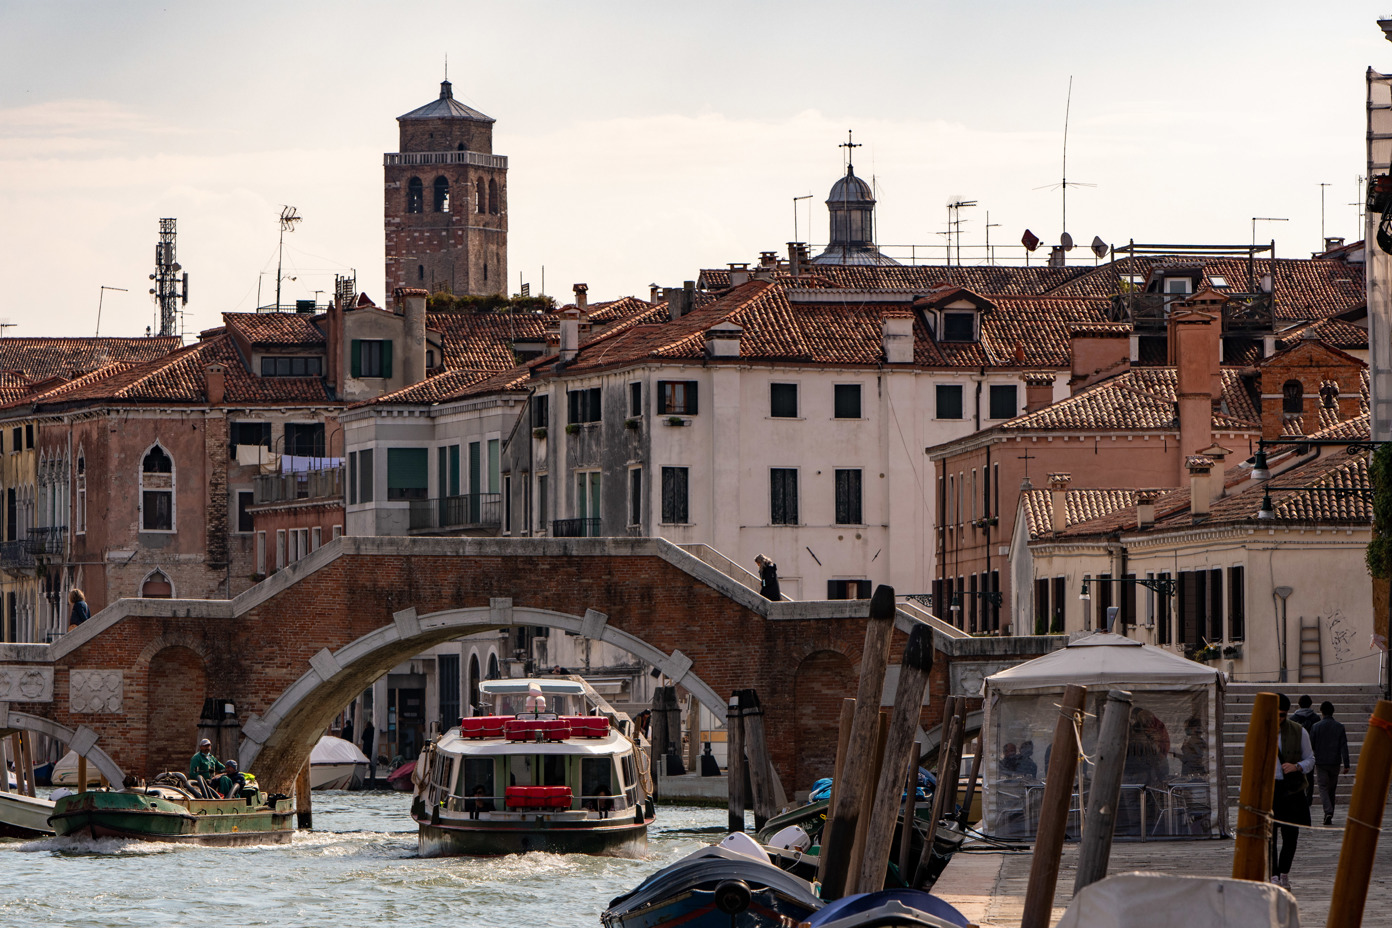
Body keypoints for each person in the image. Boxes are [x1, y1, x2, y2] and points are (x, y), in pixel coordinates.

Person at [1270, 693, 1315, 890]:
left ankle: (1283, 873)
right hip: (1270, 790)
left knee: (1291, 836)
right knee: (1269, 836)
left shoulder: (1299, 731)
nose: (1279, 719)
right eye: (1276, 714)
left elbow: (1311, 759)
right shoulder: (1260, 732)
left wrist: (1297, 766)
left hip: (1291, 790)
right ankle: (1273, 876)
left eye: (1282, 715)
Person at [1310, 701, 1350, 827]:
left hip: (1321, 762)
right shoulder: (1339, 727)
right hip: (1335, 762)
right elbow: (1344, 746)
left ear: (1321, 712)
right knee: (1332, 789)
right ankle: (1329, 813)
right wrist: (1346, 764)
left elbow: (1311, 745)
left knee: (1323, 787)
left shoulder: (1316, 726)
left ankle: (1328, 811)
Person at [1290, 695, 1319, 806]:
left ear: (1299, 704)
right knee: (1310, 777)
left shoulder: (1293, 719)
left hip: (1296, 751)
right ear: (1310, 704)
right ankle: (1309, 799)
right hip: (1311, 749)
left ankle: (1299, 796)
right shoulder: (1315, 718)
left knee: (1297, 775)